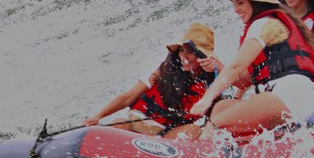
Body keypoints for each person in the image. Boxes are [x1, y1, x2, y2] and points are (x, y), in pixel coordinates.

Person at [188, 0, 314, 139]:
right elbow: (245, 81)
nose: (236, 9)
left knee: (217, 124)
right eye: (234, 4)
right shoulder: (265, 25)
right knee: (221, 108)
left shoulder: (264, 24)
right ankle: (234, 157)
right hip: (293, 102)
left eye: (241, 3)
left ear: (256, 2)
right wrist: (218, 67)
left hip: (292, 99)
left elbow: (236, 67)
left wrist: (207, 98)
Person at [83, 23, 222, 139]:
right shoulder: (162, 72)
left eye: (190, 52)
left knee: (194, 130)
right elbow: (127, 98)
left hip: (166, 138)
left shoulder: (210, 83)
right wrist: (98, 116)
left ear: (203, 56)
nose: (184, 56)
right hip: (135, 130)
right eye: (181, 50)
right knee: (118, 124)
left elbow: (214, 118)